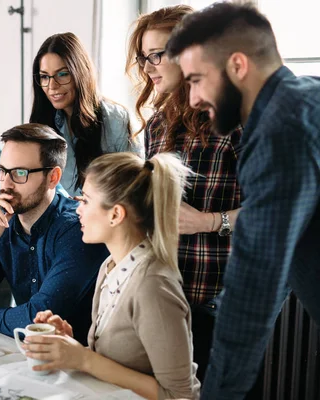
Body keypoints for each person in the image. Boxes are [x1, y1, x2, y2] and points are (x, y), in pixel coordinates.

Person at [165, 3, 320, 399]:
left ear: (237, 65)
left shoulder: (279, 131)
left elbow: (257, 279)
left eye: (198, 79)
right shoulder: (307, 98)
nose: (194, 98)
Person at [125, 5, 242, 384]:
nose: (149, 66)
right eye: (145, 57)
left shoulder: (239, 118)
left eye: (158, 54)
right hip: (167, 295)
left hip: (222, 301)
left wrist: (211, 221)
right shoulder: (158, 122)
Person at [24, 152, 200, 400]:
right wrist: (68, 346)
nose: (78, 210)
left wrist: (84, 359)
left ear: (116, 214)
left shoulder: (153, 287)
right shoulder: (111, 266)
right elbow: (118, 363)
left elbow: (180, 395)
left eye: (85, 200)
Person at [0, 123, 109, 345]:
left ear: (53, 177)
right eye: (2, 171)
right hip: (33, 358)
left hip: (84, 365)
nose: (6, 184)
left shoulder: (78, 229)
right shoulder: (1, 222)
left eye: (20, 173)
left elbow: (39, 317)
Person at [29, 32, 141, 197]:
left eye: (62, 74)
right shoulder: (43, 124)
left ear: (80, 73)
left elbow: (136, 188)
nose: (52, 86)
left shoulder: (116, 119)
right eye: (45, 77)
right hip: (61, 220)